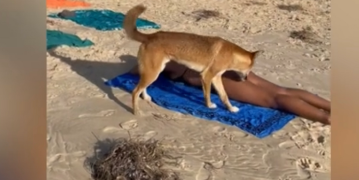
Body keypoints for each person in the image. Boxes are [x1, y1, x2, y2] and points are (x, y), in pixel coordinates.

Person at [130, 61, 331, 125]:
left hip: (218, 75)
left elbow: (140, 72)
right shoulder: (178, 47)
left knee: (275, 100)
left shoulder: (163, 59)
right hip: (225, 64)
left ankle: (327, 118)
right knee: (280, 90)